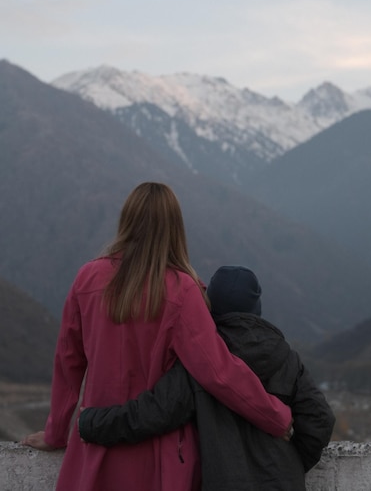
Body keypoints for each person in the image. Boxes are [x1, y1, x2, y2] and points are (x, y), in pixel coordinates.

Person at [21, 183, 292, 491]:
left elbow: (68, 362)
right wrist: (276, 417)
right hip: (159, 457)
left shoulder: (88, 279)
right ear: (175, 228)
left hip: (95, 450)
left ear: (126, 220)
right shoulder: (182, 290)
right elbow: (218, 371)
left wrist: (56, 432)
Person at [78, 265, 335, 491]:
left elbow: (153, 412)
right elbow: (320, 419)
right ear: (256, 307)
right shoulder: (287, 358)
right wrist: (292, 464)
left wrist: (90, 423)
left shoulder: (199, 361)